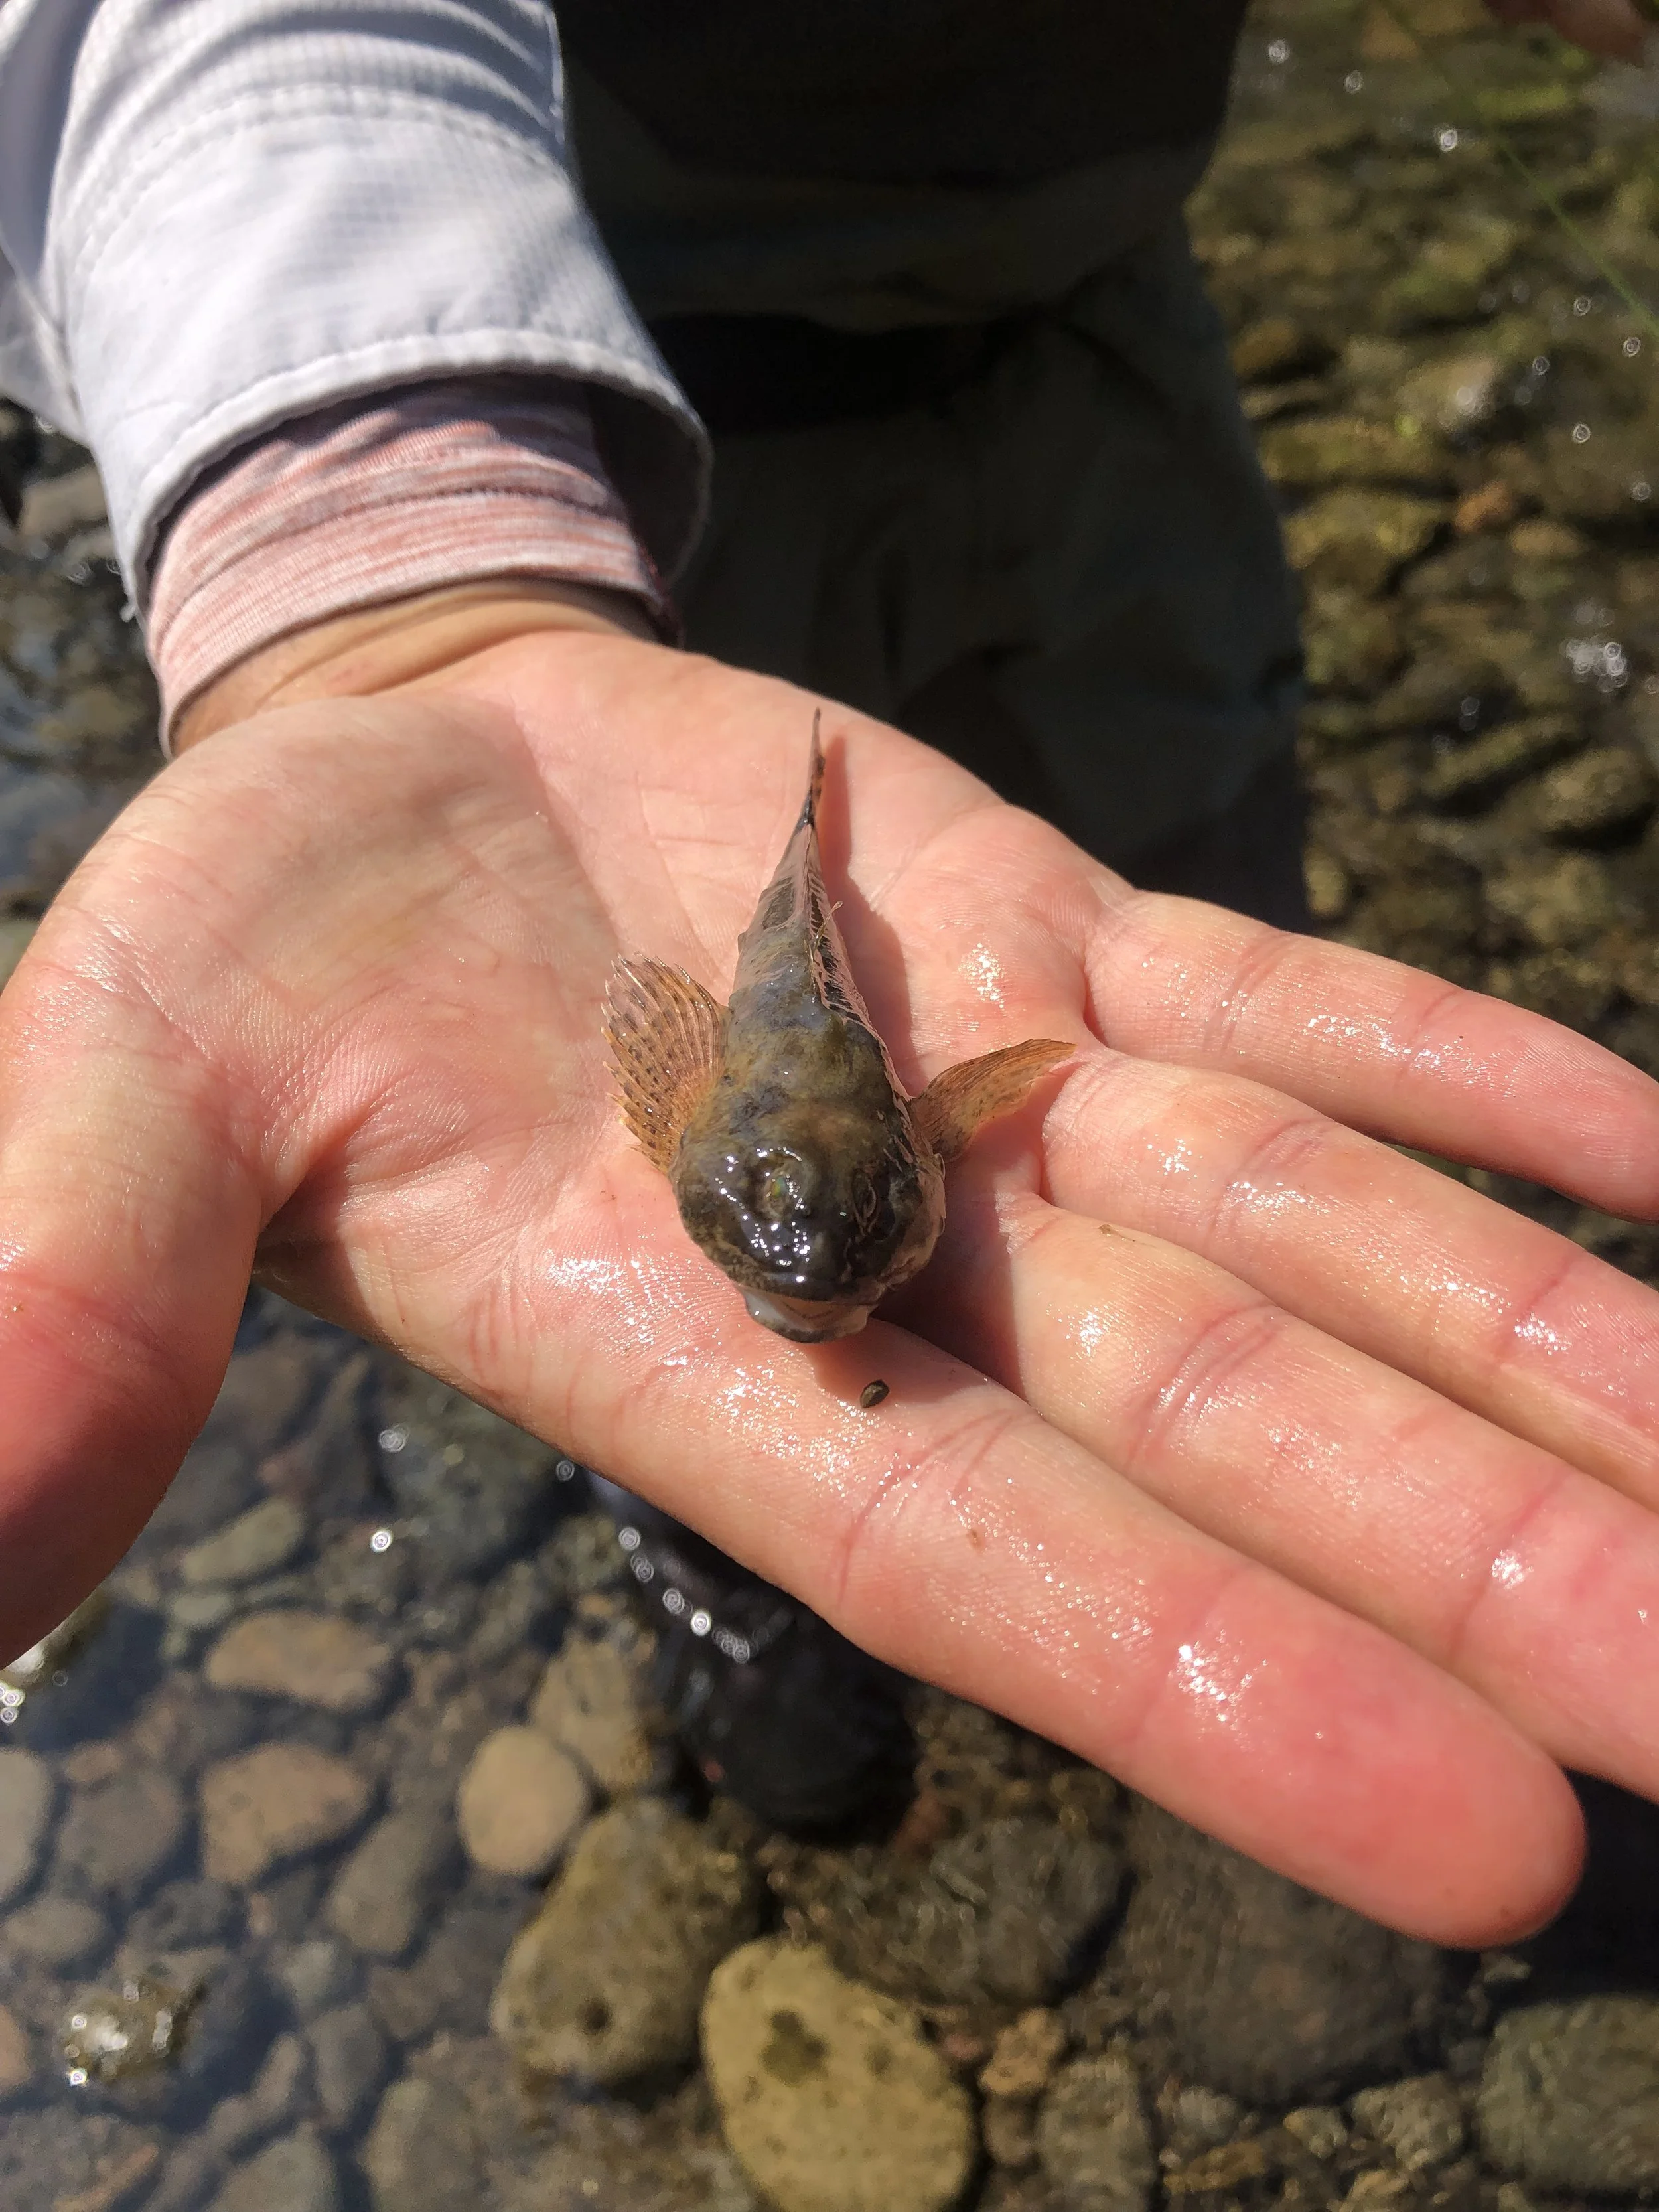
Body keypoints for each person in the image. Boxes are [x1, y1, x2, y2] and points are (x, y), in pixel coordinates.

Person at [1, 0, 1658, 1948]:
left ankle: (1276, 1509)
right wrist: (373, 562)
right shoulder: (730, 1103)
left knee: (1186, 866)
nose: (816, 1268)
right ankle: (706, 1533)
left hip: (1090, 319)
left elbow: (970, 1070)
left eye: (856, 1226)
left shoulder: (815, 1113)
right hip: (616, 384)